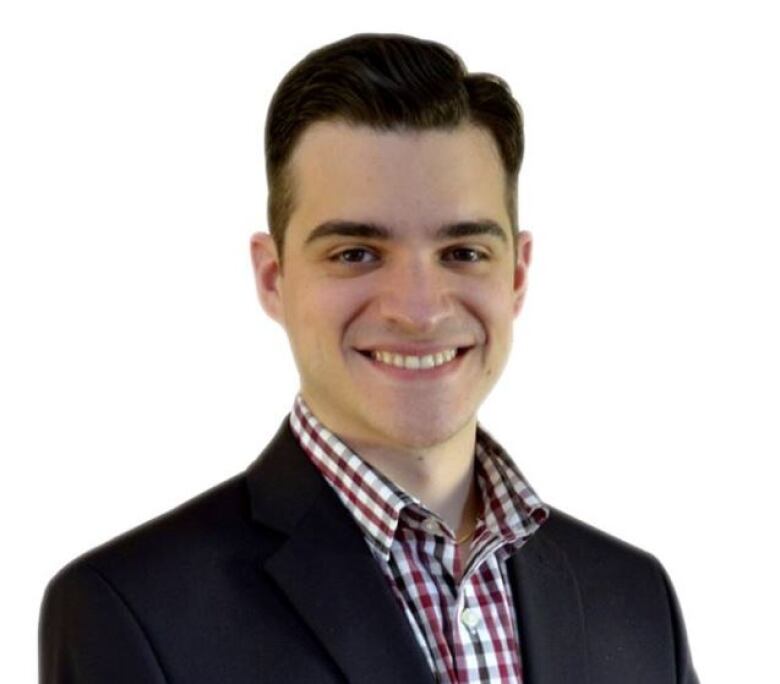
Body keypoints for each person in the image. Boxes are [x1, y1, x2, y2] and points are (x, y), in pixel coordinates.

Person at [39, 33, 699, 684]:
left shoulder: (636, 602)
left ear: (517, 275)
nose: (418, 309)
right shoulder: (131, 613)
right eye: (356, 253)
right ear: (274, 278)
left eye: (464, 252)